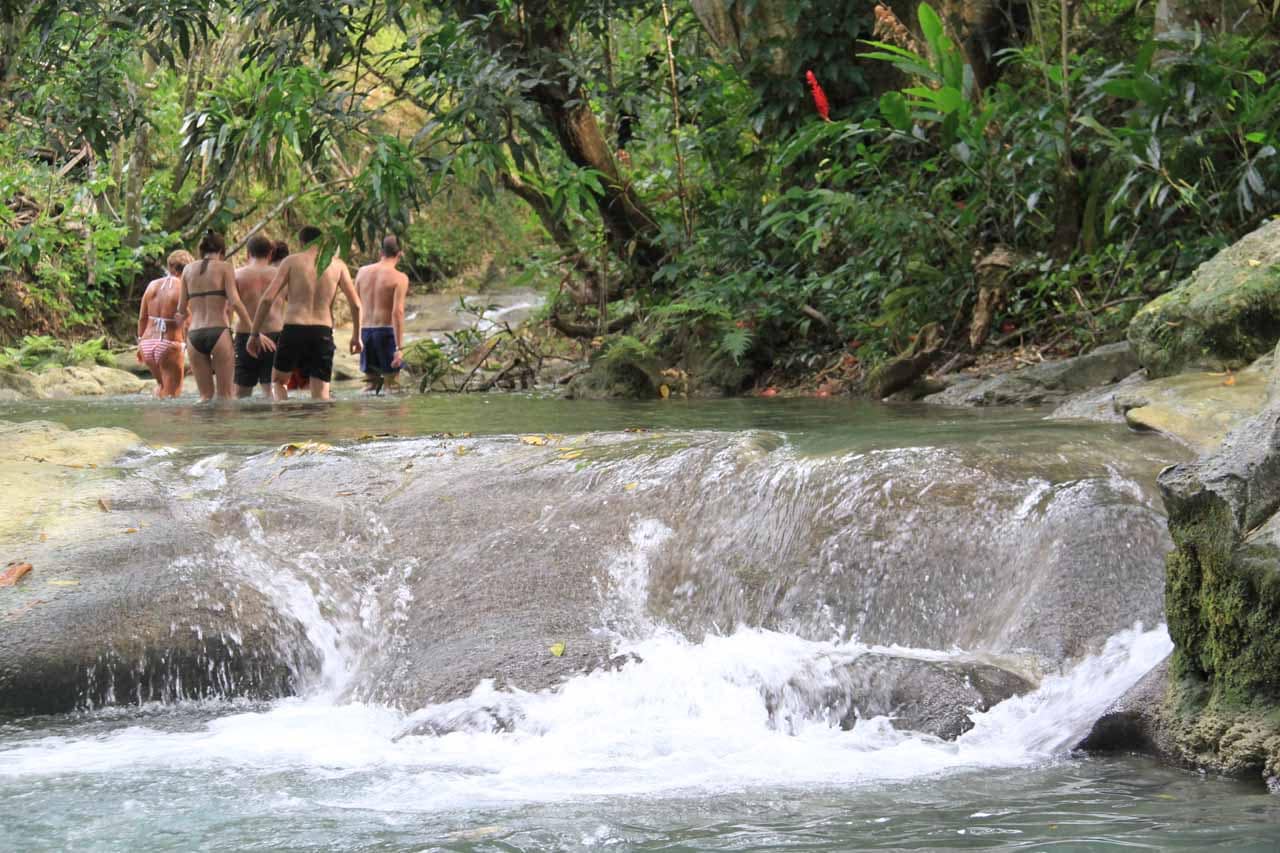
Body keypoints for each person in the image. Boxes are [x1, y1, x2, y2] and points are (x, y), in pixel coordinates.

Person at [247, 225, 362, 401]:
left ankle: (286, 424)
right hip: (322, 331)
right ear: (322, 241)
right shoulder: (337, 265)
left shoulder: (292, 262)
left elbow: (267, 299)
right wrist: (356, 336)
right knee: (321, 394)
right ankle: (318, 428)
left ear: (301, 242)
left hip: (294, 328)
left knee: (279, 382)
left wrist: (254, 334)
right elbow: (356, 305)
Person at [176, 230, 252, 402]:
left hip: (194, 335)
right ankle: (224, 430)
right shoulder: (225, 268)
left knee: (204, 397)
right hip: (218, 332)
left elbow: (180, 309)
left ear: (201, 251)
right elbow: (235, 302)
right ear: (222, 251)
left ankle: (203, 429)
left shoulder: (187, 270)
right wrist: (252, 328)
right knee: (225, 397)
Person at [354, 235, 410, 394]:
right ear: (399, 254)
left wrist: (356, 335)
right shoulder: (400, 278)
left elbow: (356, 305)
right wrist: (399, 347)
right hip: (385, 333)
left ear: (381, 253)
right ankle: (394, 419)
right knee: (392, 386)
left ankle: (366, 417)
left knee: (370, 386)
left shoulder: (362, 272)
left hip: (365, 333)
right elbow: (397, 312)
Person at [232, 235, 285, 398]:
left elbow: (229, 307)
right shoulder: (281, 275)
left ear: (248, 253)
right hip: (275, 334)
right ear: (270, 254)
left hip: (245, 334)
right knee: (273, 388)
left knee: (242, 392)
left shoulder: (236, 275)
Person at [136, 250, 193, 398]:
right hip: (170, 344)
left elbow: (142, 318)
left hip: (147, 344)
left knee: (162, 387)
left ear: (169, 267)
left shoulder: (152, 285)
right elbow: (188, 322)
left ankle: (154, 419)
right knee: (172, 395)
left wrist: (140, 344)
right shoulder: (184, 288)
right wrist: (193, 353)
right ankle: (170, 421)